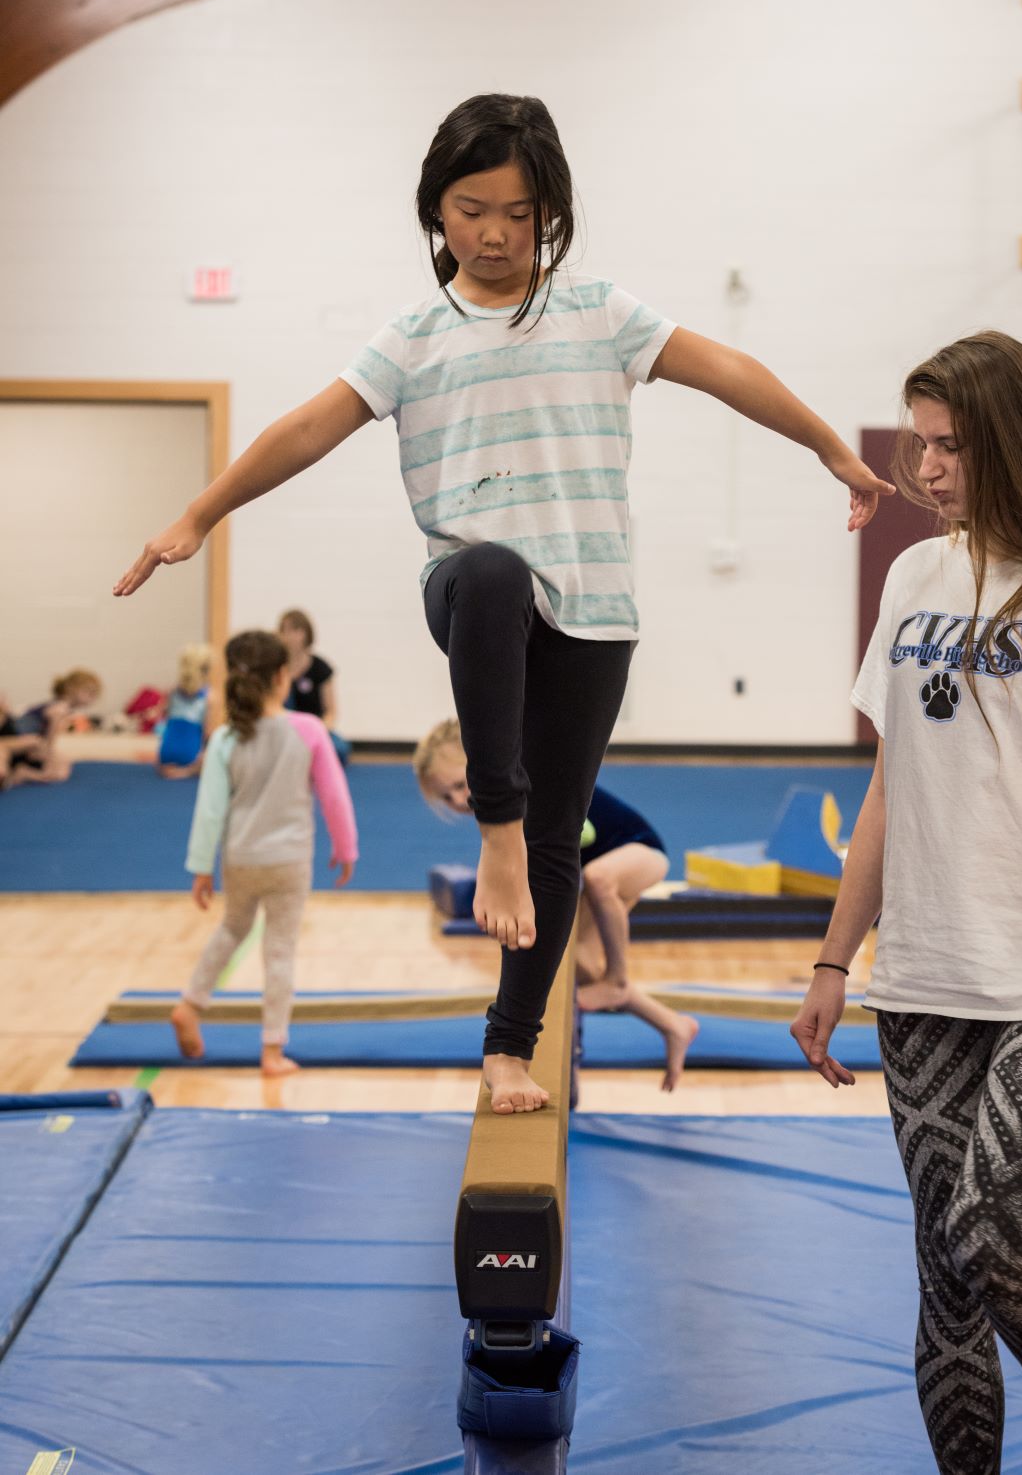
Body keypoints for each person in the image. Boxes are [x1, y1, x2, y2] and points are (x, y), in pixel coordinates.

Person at [114, 92, 891, 1114]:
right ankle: (495, 831)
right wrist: (199, 516)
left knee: (563, 830)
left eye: (519, 213)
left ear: (550, 216)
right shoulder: (415, 336)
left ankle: (507, 1050)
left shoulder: (601, 314)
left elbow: (727, 371)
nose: (492, 232)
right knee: (489, 572)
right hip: (471, 593)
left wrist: (833, 445)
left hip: (595, 608)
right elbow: (306, 428)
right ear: (436, 209)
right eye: (471, 208)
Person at [789, 331, 1022, 1475]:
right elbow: (892, 789)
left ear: (1015, 440)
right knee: (943, 1274)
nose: (930, 469)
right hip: (930, 972)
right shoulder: (913, 578)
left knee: (988, 1226)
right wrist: (835, 960)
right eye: (921, 443)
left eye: (954, 445)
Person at [415, 718, 699, 1090]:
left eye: (457, 785)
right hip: (599, 872)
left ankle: (618, 978)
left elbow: (585, 833)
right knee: (577, 964)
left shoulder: (527, 781)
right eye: (445, 797)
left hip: (640, 852)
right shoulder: (497, 807)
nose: (456, 801)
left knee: (599, 879)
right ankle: (673, 1025)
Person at [170, 629, 358, 1077]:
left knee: (232, 929)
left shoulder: (225, 738)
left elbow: (210, 809)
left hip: (241, 858)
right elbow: (334, 795)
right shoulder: (309, 730)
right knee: (279, 952)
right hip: (289, 860)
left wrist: (201, 867)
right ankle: (272, 1050)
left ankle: (191, 1004)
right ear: (282, 676)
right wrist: (345, 847)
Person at [1, 669, 101, 788]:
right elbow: (51, 731)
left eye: (94, 695)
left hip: (27, 736)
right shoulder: (60, 707)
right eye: (89, 693)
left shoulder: (62, 707)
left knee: (62, 768)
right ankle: (23, 773)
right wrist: (47, 750)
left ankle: (25, 773)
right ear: (71, 689)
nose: (92, 698)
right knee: (56, 765)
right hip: (18, 733)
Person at [277, 609, 349, 763]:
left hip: (313, 730)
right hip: (282, 731)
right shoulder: (275, 668)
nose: (289, 636)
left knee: (340, 749)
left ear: (306, 634)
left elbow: (331, 712)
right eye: (284, 630)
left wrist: (318, 732)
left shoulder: (320, 668)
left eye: (295, 630)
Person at [156, 643, 214, 777]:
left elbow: (164, 723)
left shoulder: (172, 692)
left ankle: (169, 767)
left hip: (166, 752)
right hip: (190, 754)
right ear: (206, 670)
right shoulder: (209, 697)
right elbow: (208, 732)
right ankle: (188, 771)